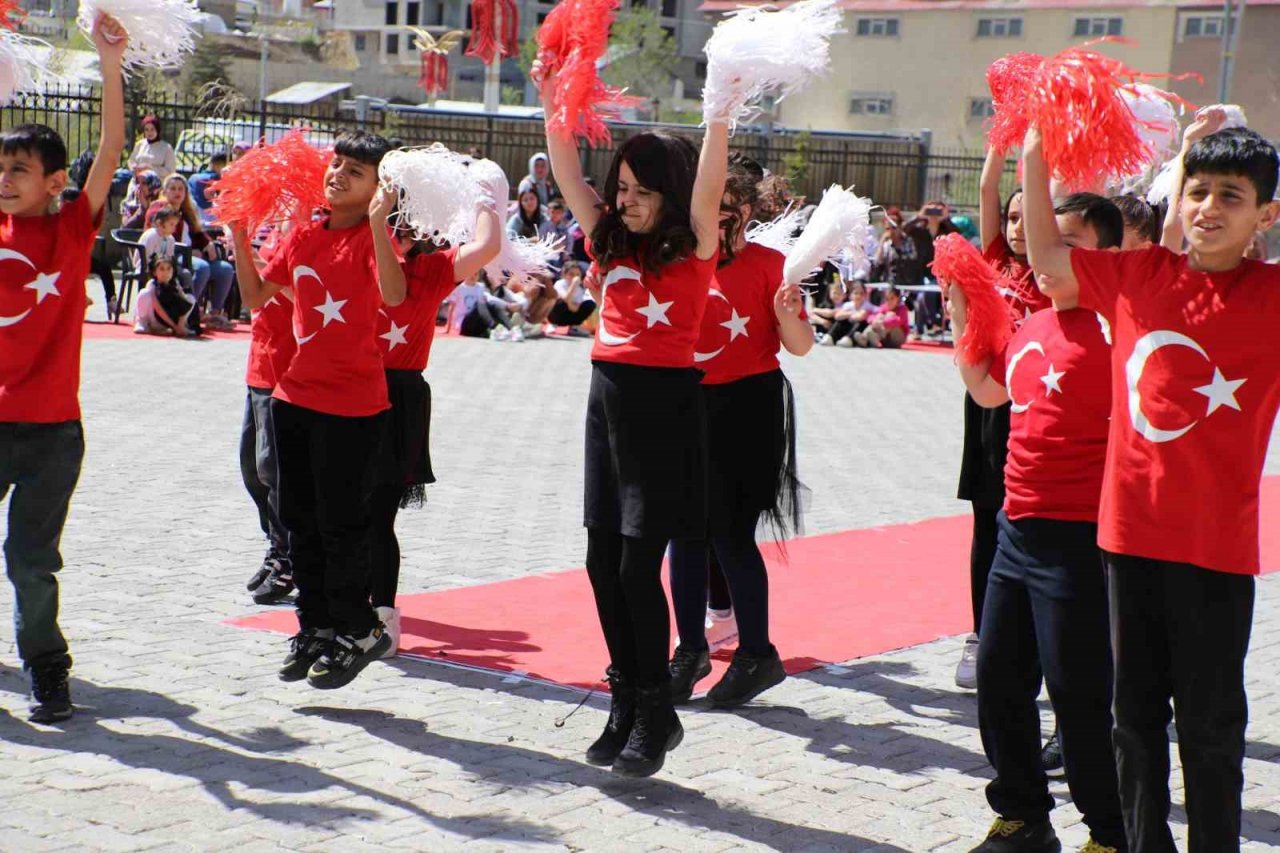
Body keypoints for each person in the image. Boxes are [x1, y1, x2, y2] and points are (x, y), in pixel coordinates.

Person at [1023, 112, 1280, 852]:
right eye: (1197, 190)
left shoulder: (1271, 296)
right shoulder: (1139, 276)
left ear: (1265, 214)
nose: (1208, 208)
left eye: (1232, 196)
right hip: (1129, 541)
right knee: (1133, 718)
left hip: (1217, 551)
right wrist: (1037, 157)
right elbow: (1048, 259)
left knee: (1210, 728)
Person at [538, 58, 728, 777]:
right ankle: (626, 696)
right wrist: (557, 98)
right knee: (599, 564)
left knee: (636, 566)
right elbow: (565, 168)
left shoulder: (694, 249)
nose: (626, 202)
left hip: (663, 412)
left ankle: (656, 707)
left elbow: (708, 184)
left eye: (642, 192)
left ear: (668, 195)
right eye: (621, 189)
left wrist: (721, 106)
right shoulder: (607, 238)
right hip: (605, 409)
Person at [947, 192, 1127, 853]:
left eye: (1070, 243)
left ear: (1108, 258)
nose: (1048, 252)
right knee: (998, 682)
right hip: (1014, 532)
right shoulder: (1033, 324)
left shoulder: (1121, 328)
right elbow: (988, 391)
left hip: (1079, 541)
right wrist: (964, 309)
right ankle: (1023, 817)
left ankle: (1111, 832)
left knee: (1079, 702)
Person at [229, 130, 402, 690]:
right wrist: (237, 235)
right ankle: (315, 628)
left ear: (379, 188)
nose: (338, 175)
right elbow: (255, 299)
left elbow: (395, 297)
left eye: (356, 170)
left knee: (342, 525)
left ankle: (360, 627)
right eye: (337, 164)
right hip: (292, 398)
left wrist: (378, 223)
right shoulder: (304, 237)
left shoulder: (376, 242)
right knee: (298, 523)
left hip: (354, 406)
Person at [0, 13, 127, 723]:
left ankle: (48, 670)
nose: (6, 179)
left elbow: (109, 148)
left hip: (51, 434)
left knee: (31, 561)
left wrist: (108, 64)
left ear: (53, 181)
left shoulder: (72, 228)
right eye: (0, 169)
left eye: (20, 169)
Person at [667, 155, 812, 708]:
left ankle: (756, 654)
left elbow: (799, 346)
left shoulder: (771, 264)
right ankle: (689, 651)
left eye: (721, 208)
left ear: (744, 212)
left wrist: (789, 312)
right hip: (687, 403)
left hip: (748, 408)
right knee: (683, 531)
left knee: (729, 534)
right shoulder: (679, 258)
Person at [366, 183, 502, 655]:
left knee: (378, 516)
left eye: (404, 219)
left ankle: (383, 618)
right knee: (343, 512)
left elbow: (488, 246)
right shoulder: (355, 257)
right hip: (345, 387)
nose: (397, 226)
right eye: (390, 217)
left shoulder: (433, 267)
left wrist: (487, 193)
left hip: (398, 397)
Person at [240, 230, 298, 605]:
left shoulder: (309, 237)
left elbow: (302, 295)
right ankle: (278, 545)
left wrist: (259, 264)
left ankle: (286, 557)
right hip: (259, 365)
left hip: (288, 369)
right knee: (251, 467)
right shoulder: (270, 235)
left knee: (271, 469)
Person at [147, 175, 236, 330]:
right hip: (171, 257)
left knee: (225, 269)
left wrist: (208, 243)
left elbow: (198, 233)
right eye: (173, 188)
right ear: (165, 191)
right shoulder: (159, 208)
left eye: (181, 189)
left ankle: (215, 313)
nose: (177, 192)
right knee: (202, 268)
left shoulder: (186, 210)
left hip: (191, 256)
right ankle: (190, 311)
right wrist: (189, 251)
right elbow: (161, 234)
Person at [133, 254, 196, 337]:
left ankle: (181, 326)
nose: (166, 273)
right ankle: (143, 323)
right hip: (155, 319)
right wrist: (174, 326)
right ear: (155, 272)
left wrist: (180, 292)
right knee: (144, 293)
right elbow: (158, 308)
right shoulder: (152, 284)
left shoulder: (175, 284)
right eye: (161, 269)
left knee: (190, 298)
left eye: (169, 269)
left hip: (168, 321)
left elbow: (184, 306)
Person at [818, 280, 874, 347]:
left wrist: (847, 315)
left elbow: (860, 317)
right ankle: (830, 337)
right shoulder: (848, 305)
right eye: (856, 293)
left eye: (861, 293)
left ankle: (848, 340)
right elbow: (837, 316)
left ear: (865, 295)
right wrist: (851, 314)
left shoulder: (867, 305)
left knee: (859, 323)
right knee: (840, 322)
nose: (858, 296)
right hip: (847, 328)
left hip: (858, 331)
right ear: (850, 295)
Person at [548, 261, 596, 333]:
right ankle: (553, 324)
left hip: (570, 314)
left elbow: (575, 309)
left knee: (590, 304)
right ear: (564, 274)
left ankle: (574, 327)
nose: (574, 277)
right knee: (560, 302)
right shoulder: (560, 284)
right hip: (556, 315)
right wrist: (573, 285)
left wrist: (569, 302)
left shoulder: (579, 289)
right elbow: (565, 300)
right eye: (571, 274)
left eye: (577, 275)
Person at [127, 115, 177, 180]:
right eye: (146, 130)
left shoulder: (166, 148)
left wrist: (150, 168)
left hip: (158, 184)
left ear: (157, 129)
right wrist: (134, 167)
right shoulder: (139, 144)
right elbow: (131, 160)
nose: (149, 132)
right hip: (138, 182)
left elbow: (171, 171)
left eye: (152, 129)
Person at [189, 152, 228, 224]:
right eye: (208, 186)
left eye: (214, 187)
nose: (212, 190)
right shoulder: (191, 207)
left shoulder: (216, 207)